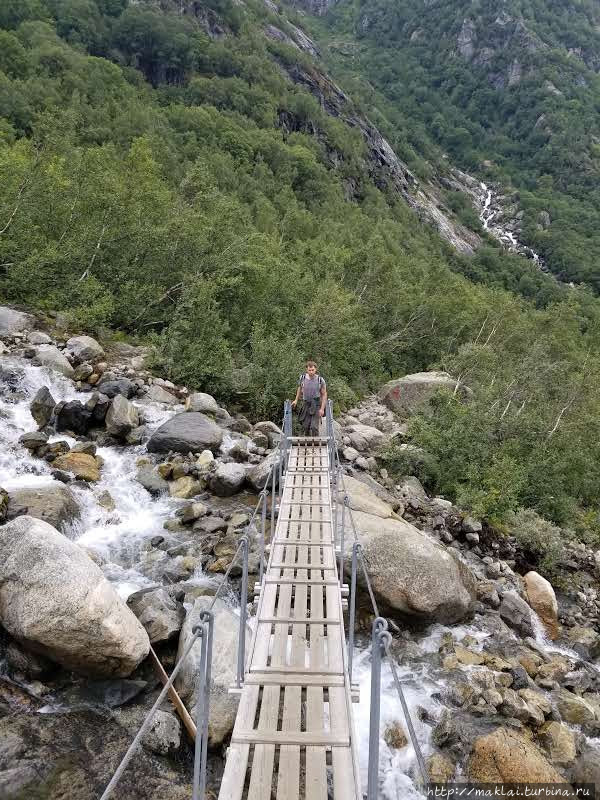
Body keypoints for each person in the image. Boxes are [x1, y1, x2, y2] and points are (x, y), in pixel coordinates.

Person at [291, 361, 327, 437]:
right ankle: (307, 444)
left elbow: (324, 395)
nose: (311, 372)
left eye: (312, 370)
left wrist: (322, 409)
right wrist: (296, 400)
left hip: (316, 404)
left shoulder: (320, 380)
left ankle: (316, 445)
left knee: (314, 427)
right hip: (306, 403)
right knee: (305, 426)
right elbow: (299, 388)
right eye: (309, 370)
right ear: (307, 370)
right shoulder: (302, 378)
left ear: (315, 369)